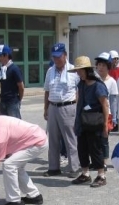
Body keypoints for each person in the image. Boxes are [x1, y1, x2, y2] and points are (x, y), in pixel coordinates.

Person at [71, 56, 110, 187]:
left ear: (87, 70)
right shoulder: (81, 84)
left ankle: (101, 175)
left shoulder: (98, 86)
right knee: (82, 148)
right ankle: (85, 173)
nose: (78, 73)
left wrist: (105, 125)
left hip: (94, 123)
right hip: (82, 121)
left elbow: (105, 105)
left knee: (95, 149)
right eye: (77, 71)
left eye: (80, 70)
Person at [43, 43, 81, 178]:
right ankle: (54, 167)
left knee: (70, 138)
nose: (57, 60)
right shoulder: (50, 71)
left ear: (65, 55)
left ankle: (74, 167)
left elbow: (79, 90)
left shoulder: (73, 71)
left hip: (68, 106)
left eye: (59, 57)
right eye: (54, 57)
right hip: (53, 106)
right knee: (52, 138)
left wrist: (77, 106)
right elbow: (47, 90)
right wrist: (45, 108)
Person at [95, 52, 118, 163]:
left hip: (106, 114)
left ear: (108, 67)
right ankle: (95, 160)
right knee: (94, 138)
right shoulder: (93, 79)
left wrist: (113, 118)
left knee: (104, 138)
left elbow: (113, 101)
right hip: (94, 114)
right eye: (99, 65)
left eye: (103, 65)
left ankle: (103, 161)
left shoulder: (112, 82)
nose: (100, 67)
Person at [0, 44, 24, 119]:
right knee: (4, 124)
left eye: (0, 56)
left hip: (12, 101)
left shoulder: (14, 69)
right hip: (3, 101)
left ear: (6, 55)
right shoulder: (1, 69)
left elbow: (21, 86)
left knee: (15, 124)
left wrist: (19, 99)